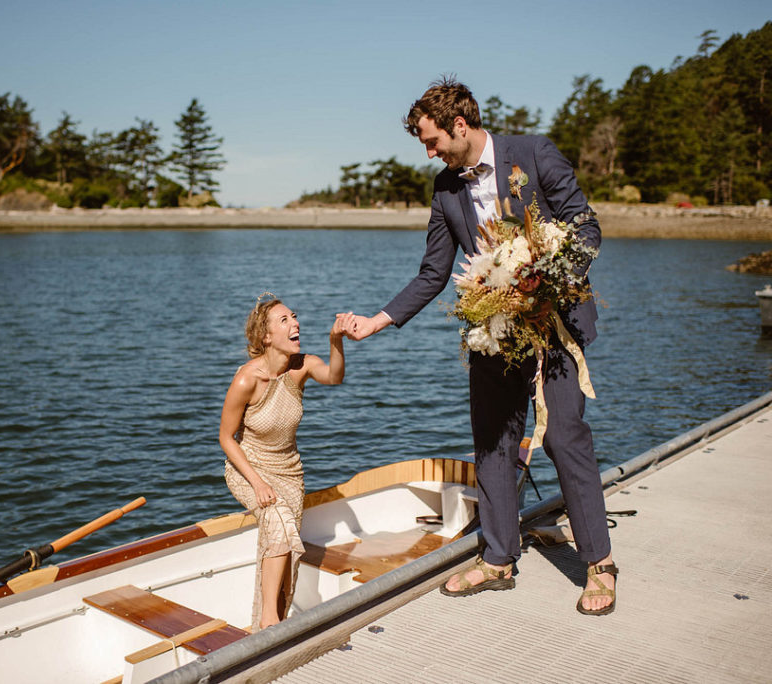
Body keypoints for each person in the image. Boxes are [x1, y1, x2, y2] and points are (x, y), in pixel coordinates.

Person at [344, 77, 618, 616]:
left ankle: (599, 564)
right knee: (493, 442)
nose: (429, 154)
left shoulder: (533, 153)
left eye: (432, 141)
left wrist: (550, 277)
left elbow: (585, 227)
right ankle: (497, 560)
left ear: (459, 125)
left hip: (556, 321)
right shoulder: (446, 191)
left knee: (564, 437)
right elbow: (432, 273)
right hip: (491, 330)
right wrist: (379, 320)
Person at [220, 294, 354, 630]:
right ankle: (269, 624)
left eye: (294, 317)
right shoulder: (246, 379)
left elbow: (335, 376)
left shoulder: (303, 365)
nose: (295, 323)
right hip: (249, 469)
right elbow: (225, 438)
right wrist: (258, 482)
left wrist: (335, 341)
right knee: (278, 526)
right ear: (266, 337)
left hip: (290, 474)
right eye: (284, 320)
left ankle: (268, 620)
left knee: (284, 549)